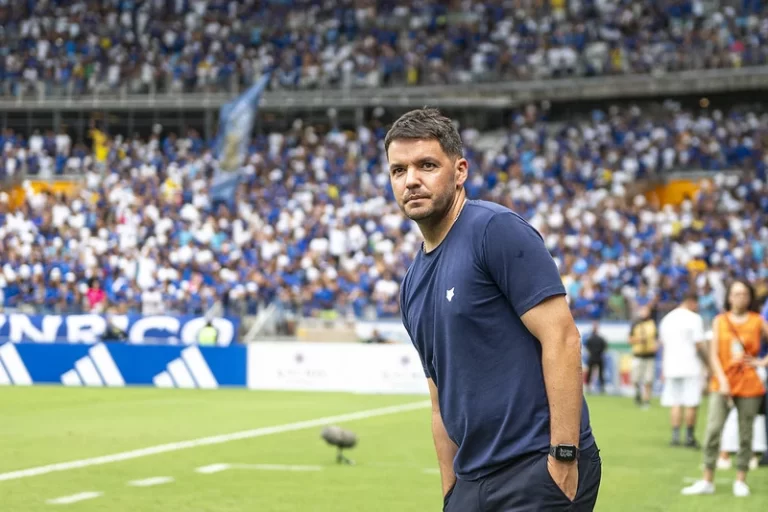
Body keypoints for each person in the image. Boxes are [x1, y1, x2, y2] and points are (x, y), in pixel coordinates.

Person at [390, 108, 601, 511]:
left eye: (427, 165)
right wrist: (451, 490)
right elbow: (439, 399)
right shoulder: (412, 284)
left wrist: (563, 458)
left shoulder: (495, 229)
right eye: (399, 171)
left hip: (534, 466)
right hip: (472, 480)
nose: (411, 179)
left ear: (460, 171)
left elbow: (562, 337)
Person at [683, 280, 768, 497]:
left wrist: (761, 362)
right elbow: (713, 355)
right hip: (721, 384)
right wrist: (722, 380)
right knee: (713, 430)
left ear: (750, 297)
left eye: (744, 294)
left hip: (749, 383)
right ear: (729, 296)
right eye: (736, 293)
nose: (740, 297)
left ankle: (741, 479)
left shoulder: (757, 321)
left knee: (746, 432)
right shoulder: (720, 321)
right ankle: (707, 479)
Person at [658, 292, 708, 448]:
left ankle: (675, 436)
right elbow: (699, 344)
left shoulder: (667, 319)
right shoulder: (694, 319)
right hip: (690, 365)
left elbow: (663, 344)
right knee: (691, 402)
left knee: (675, 402)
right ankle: (689, 437)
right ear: (692, 302)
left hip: (672, 366)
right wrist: (708, 364)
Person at [629, 305, 659, 408]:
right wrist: (639, 340)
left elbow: (657, 338)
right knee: (636, 379)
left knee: (648, 379)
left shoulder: (652, 324)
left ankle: (646, 400)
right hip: (638, 355)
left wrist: (656, 346)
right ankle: (637, 393)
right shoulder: (635, 324)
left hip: (649, 355)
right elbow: (629, 339)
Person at [584, 321, 608, 394]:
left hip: (592, 357)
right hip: (599, 357)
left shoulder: (590, 339)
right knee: (600, 373)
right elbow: (605, 347)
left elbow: (587, 347)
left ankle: (588, 387)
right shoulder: (601, 339)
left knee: (590, 373)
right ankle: (602, 387)